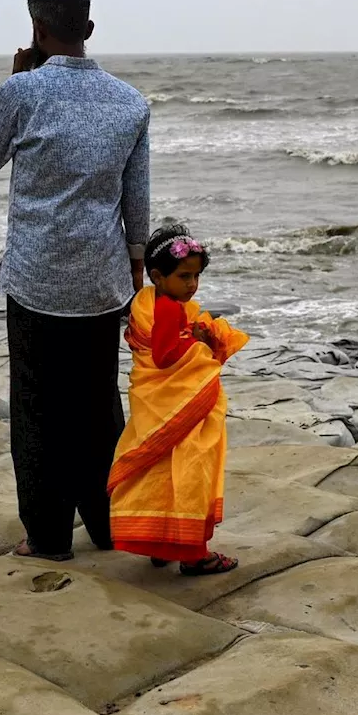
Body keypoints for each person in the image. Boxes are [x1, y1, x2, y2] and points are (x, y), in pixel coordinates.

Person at [0, 0, 150, 561]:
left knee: (38, 407)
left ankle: (47, 536)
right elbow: (136, 195)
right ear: (89, 32)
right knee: (99, 404)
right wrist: (137, 262)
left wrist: (14, 77)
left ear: (38, 31)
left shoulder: (23, 90)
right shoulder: (130, 101)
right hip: (101, 281)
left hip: (37, 276)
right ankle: (107, 523)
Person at [108, 226, 248, 575]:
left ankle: (163, 544)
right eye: (184, 276)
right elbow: (166, 357)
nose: (192, 284)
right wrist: (200, 344)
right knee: (190, 473)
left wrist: (193, 333)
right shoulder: (170, 309)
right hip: (177, 403)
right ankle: (195, 553)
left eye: (197, 276)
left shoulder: (149, 302)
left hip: (157, 406)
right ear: (157, 275)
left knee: (163, 474)